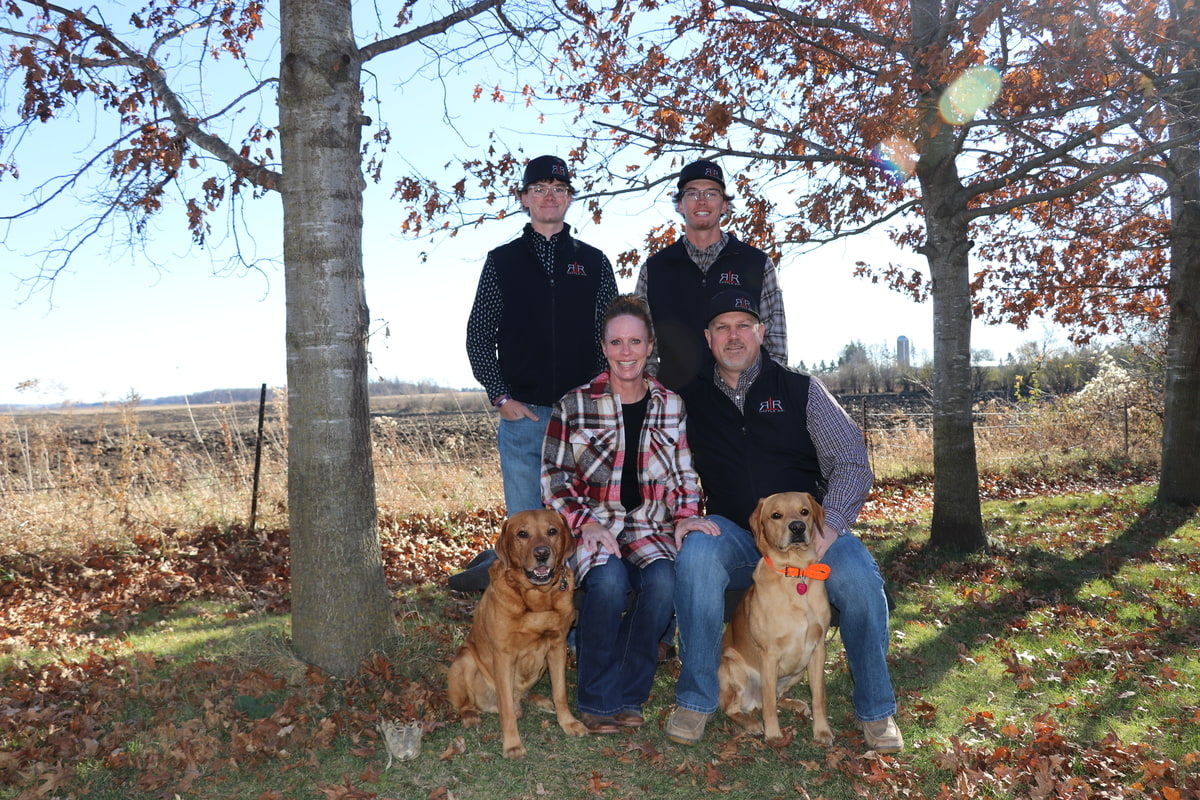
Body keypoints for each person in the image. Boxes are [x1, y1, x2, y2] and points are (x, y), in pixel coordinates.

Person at [665, 289, 903, 754]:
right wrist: (683, 515)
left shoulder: (802, 389)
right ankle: (696, 700)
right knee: (694, 558)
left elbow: (852, 461)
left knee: (857, 581)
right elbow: (666, 464)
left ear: (761, 332)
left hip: (812, 531)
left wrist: (827, 528)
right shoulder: (688, 399)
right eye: (722, 327)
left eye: (743, 326)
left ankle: (876, 711)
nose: (733, 336)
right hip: (736, 533)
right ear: (708, 337)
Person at [454, 155, 618, 592]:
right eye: (540, 189)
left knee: (579, 529)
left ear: (569, 199)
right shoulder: (502, 262)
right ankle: (527, 639)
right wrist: (501, 398)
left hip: (584, 422)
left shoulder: (595, 263)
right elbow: (478, 336)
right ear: (525, 199)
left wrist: (600, 397)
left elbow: (613, 337)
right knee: (527, 538)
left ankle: (581, 632)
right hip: (523, 419)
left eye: (559, 189)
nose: (550, 196)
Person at [542, 294, 701, 734]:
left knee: (664, 581)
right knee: (608, 583)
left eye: (635, 342)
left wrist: (687, 515)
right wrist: (584, 523)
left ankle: (629, 695)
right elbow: (553, 478)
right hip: (595, 524)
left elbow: (685, 472)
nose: (625, 352)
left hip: (651, 525)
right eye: (616, 342)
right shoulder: (573, 405)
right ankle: (596, 699)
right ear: (604, 347)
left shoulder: (671, 405)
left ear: (650, 346)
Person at [635, 159, 788, 390]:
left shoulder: (757, 263)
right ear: (680, 204)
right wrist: (656, 398)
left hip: (742, 408)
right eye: (693, 193)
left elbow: (775, 347)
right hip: (676, 410)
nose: (702, 200)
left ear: (725, 204)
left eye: (711, 193)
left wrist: (763, 399)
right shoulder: (654, 270)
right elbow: (643, 347)